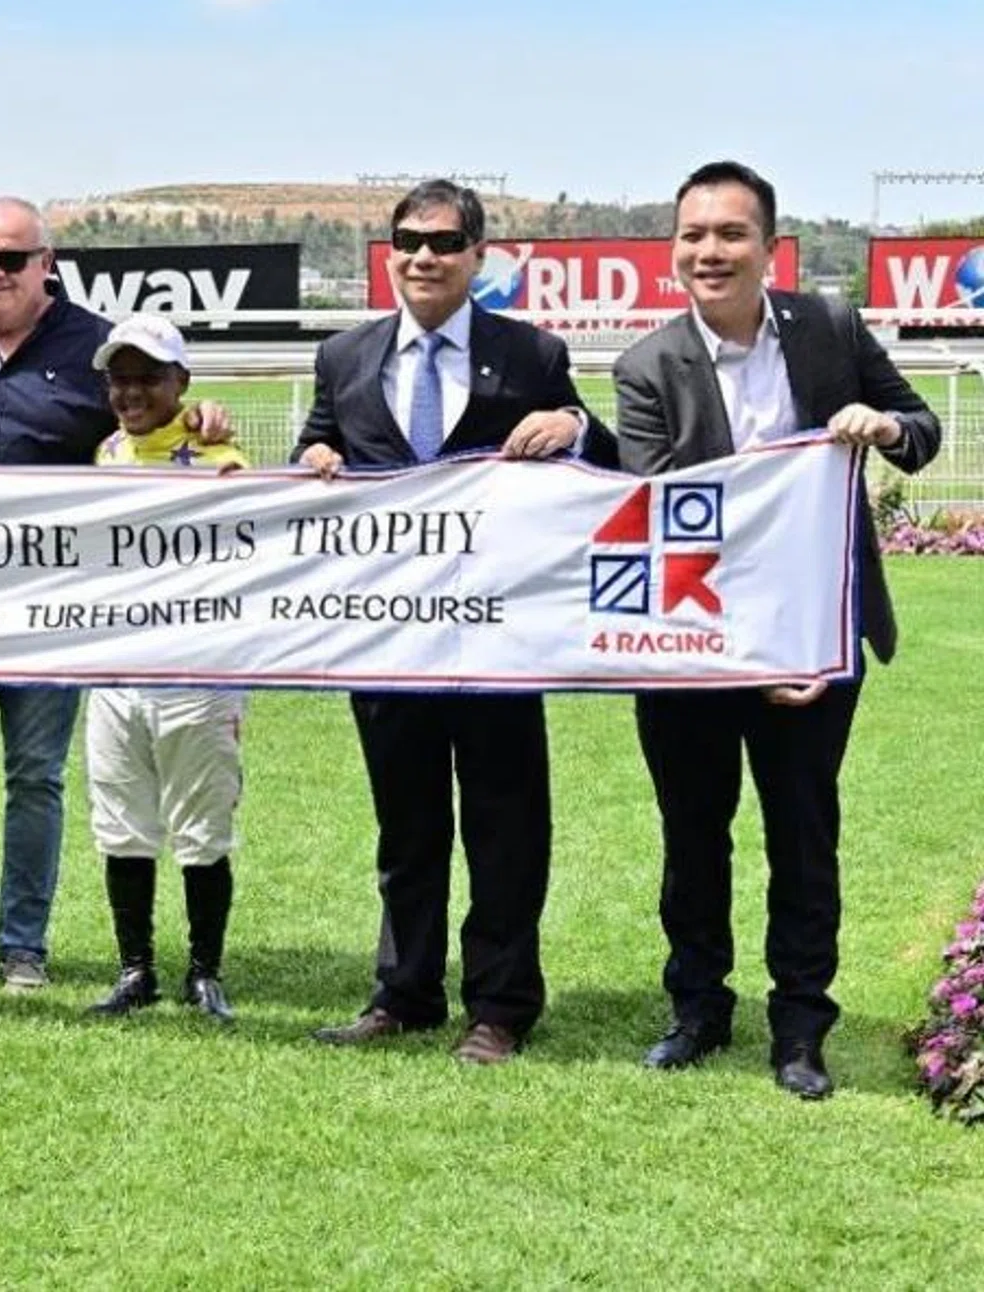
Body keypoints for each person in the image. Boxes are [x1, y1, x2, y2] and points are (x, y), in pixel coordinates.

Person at [614, 160, 940, 1100]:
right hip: (693, 646)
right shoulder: (645, 368)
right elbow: (666, 515)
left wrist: (882, 424)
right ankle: (698, 1008)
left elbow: (921, 427)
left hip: (822, 639)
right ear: (673, 248)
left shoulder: (830, 329)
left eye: (730, 234)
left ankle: (801, 1027)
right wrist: (751, 653)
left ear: (768, 246)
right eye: (693, 235)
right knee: (694, 834)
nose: (709, 251)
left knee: (804, 832)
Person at [294, 179, 617, 1064]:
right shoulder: (346, 356)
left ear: (479, 255)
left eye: (443, 242)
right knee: (406, 826)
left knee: (507, 823)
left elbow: (607, 460)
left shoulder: (532, 353)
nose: (424, 257)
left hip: (498, 635)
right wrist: (312, 455)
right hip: (390, 637)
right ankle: (404, 992)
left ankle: (502, 1007)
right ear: (389, 251)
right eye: (408, 241)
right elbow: (315, 449)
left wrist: (572, 424)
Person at [0, 197, 232, 996]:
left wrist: (202, 419)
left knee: (36, 774)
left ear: (48, 262)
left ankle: (23, 946)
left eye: (11, 259)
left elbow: (145, 420)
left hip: (58, 605)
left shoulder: (91, 345)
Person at [81, 314, 249, 1024]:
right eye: (120, 378)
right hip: (119, 675)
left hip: (198, 675)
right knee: (122, 824)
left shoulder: (223, 461)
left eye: (148, 377)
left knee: (202, 829)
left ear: (181, 382)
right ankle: (136, 968)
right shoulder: (106, 455)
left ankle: (204, 971)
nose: (131, 391)